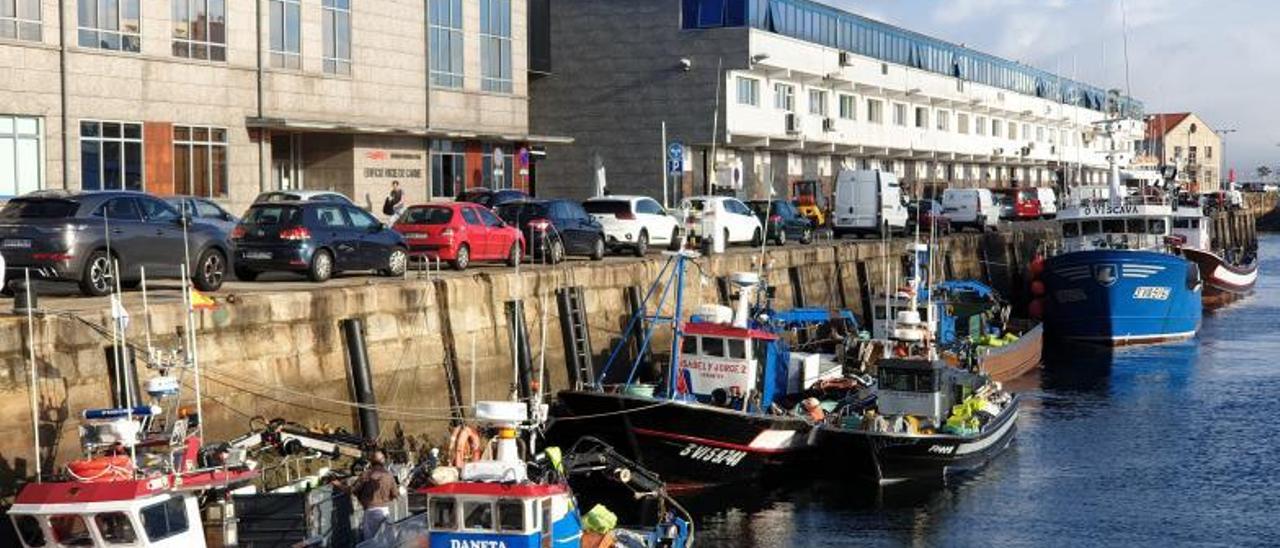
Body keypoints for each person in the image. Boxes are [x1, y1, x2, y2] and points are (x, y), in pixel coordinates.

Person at [333, 450, 399, 540]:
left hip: (370, 512)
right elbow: (395, 494)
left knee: (370, 542)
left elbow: (352, 490)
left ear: (371, 461)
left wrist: (338, 484)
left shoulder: (366, 474)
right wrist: (386, 498)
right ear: (383, 461)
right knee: (386, 540)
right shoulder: (389, 475)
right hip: (384, 511)